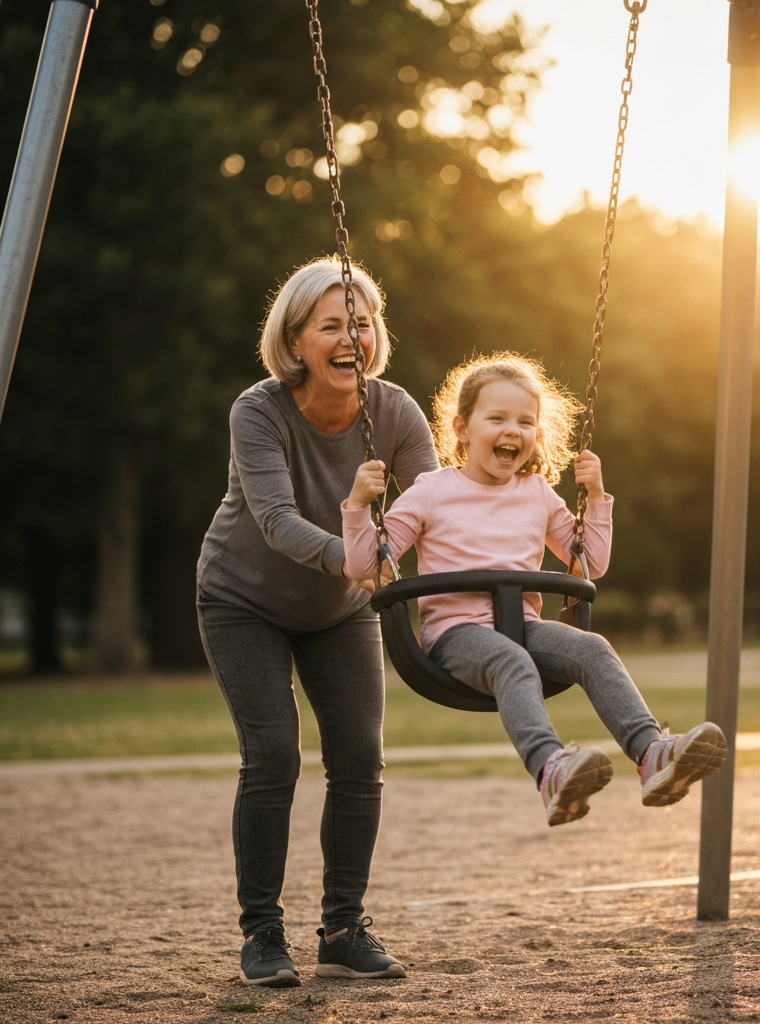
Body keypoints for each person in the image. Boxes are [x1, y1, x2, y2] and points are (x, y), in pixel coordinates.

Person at [342, 353, 727, 827]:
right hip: (456, 637)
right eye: (498, 418)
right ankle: (550, 770)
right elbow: (365, 566)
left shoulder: (538, 492)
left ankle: (651, 755)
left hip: (523, 626)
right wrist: (359, 506)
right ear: (462, 428)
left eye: (526, 421)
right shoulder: (430, 491)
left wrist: (598, 496)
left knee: (593, 649)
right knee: (511, 661)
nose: (514, 430)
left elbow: (591, 563)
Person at [196, 258, 439, 986]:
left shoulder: (393, 411)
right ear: (295, 339)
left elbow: (438, 504)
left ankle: (342, 928)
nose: (349, 339)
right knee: (272, 756)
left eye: (360, 325)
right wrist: (361, 556)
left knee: (360, 756)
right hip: (243, 599)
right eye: (331, 326)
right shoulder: (258, 410)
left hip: (340, 609)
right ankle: (262, 935)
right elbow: (274, 521)